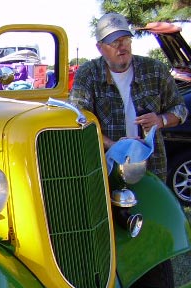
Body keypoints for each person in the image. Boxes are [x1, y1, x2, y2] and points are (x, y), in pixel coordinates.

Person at [69, 12, 188, 182]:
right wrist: (114, 145)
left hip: (151, 167)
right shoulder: (88, 74)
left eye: (125, 39)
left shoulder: (155, 70)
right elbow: (78, 120)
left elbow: (180, 109)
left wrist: (161, 120)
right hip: (106, 168)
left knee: (152, 208)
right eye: (114, 42)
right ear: (100, 47)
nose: (122, 46)